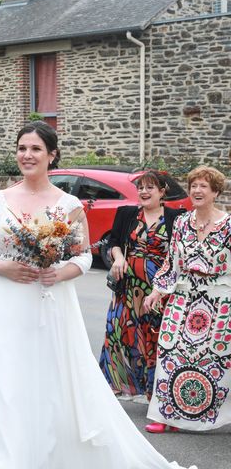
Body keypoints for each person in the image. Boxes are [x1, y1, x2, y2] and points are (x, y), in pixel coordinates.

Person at [0, 121, 195, 469]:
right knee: (1, 382)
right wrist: (2, 267)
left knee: (48, 384)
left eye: (36, 149)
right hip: (3, 303)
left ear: (52, 155)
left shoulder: (68, 204)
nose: (27, 155)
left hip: (47, 303)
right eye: (22, 148)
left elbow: (83, 255)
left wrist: (58, 272)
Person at [144, 166, 231, 434]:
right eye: (194, 185)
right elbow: (172, 262)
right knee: (170, 349)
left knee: (218, 357)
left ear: (215, 192)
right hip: (184, 295)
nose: (197, 190)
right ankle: (166, 415)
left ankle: (220, 415)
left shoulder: (228, 224)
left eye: (204, 186)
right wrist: (157, 290)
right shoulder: (182, 222)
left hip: (219, 299)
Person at [99, 171, 184, 402]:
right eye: (141, 188)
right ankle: (116, 383)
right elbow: (114, 241)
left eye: (150, 188)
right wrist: (118, 257)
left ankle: (152, 388)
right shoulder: (126, 213)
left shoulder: (176, 217)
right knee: (118, 330)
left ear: (162, 192)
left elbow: (178, 253)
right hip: (127, 285)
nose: (144, 192)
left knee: (152, 334)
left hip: (157, 286)